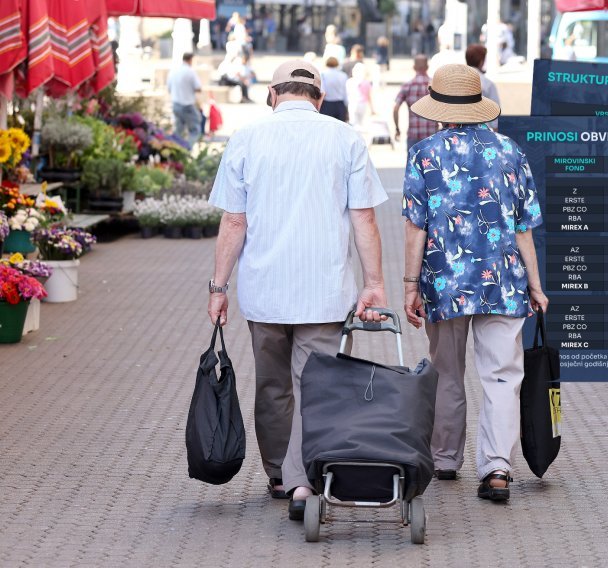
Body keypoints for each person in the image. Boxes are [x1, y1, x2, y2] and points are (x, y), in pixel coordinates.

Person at [207, 59, 388, 521]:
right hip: (324, 290)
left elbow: (234, 220)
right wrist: (374, 283)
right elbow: (363, 217)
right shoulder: (344, 137)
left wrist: (218, 287)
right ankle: (303, 480)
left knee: (272, 385)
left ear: (272, 94)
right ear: (319, 98)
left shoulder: (246, 138)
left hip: (264, 290)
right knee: (317, 385)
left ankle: (278, 475)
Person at [401, 64, 548, 502]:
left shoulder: (424, 154)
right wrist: (536, 285)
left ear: (439, 109)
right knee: (503, 376)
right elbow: (524, 228)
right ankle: (497, 468)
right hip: (504, 282)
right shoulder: (510, 151)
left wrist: (410, 285)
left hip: (445, 283)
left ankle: (445, 458)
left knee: (446, 371)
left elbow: (416, 228)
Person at [393, 55, 438, 152]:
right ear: (427, 67)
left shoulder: (407, 86)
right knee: (432, 166)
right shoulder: (435, 86)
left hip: (413, 136)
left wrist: (397, 129)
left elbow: (396, 108)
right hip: (432, 135)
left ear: (414, 67)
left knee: (413, 166)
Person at [166, 52, 202, 147]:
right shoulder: (190, 71)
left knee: (179, 131)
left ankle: (176, 151)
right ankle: (187, 149)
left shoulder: (173, 71)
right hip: (187, 104)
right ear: (190, 60)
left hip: (176, 104)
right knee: (195, 130)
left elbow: (169, 88)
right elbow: (198, 88)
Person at [465, 44, 500, 130]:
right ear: (481, 61)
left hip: (457, 133)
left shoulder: (455, 82)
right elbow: (495, 117)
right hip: (482, 133)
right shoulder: (488, 84)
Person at [346, 62, 374, 130]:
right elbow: (369, 96)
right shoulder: (367, 82)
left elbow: (346, 94)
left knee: (353, 124)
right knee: (361, 124)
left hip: (353, 103)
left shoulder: (349, 81)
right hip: (363, 104)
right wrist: (372, 109)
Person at [320, 57, 348, 122]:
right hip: (340, 104)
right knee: (340, 128)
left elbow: (322, 91)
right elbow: (345, 92)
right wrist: (346, 105)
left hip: (327, 104)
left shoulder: (323, 74)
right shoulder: (343, 75)